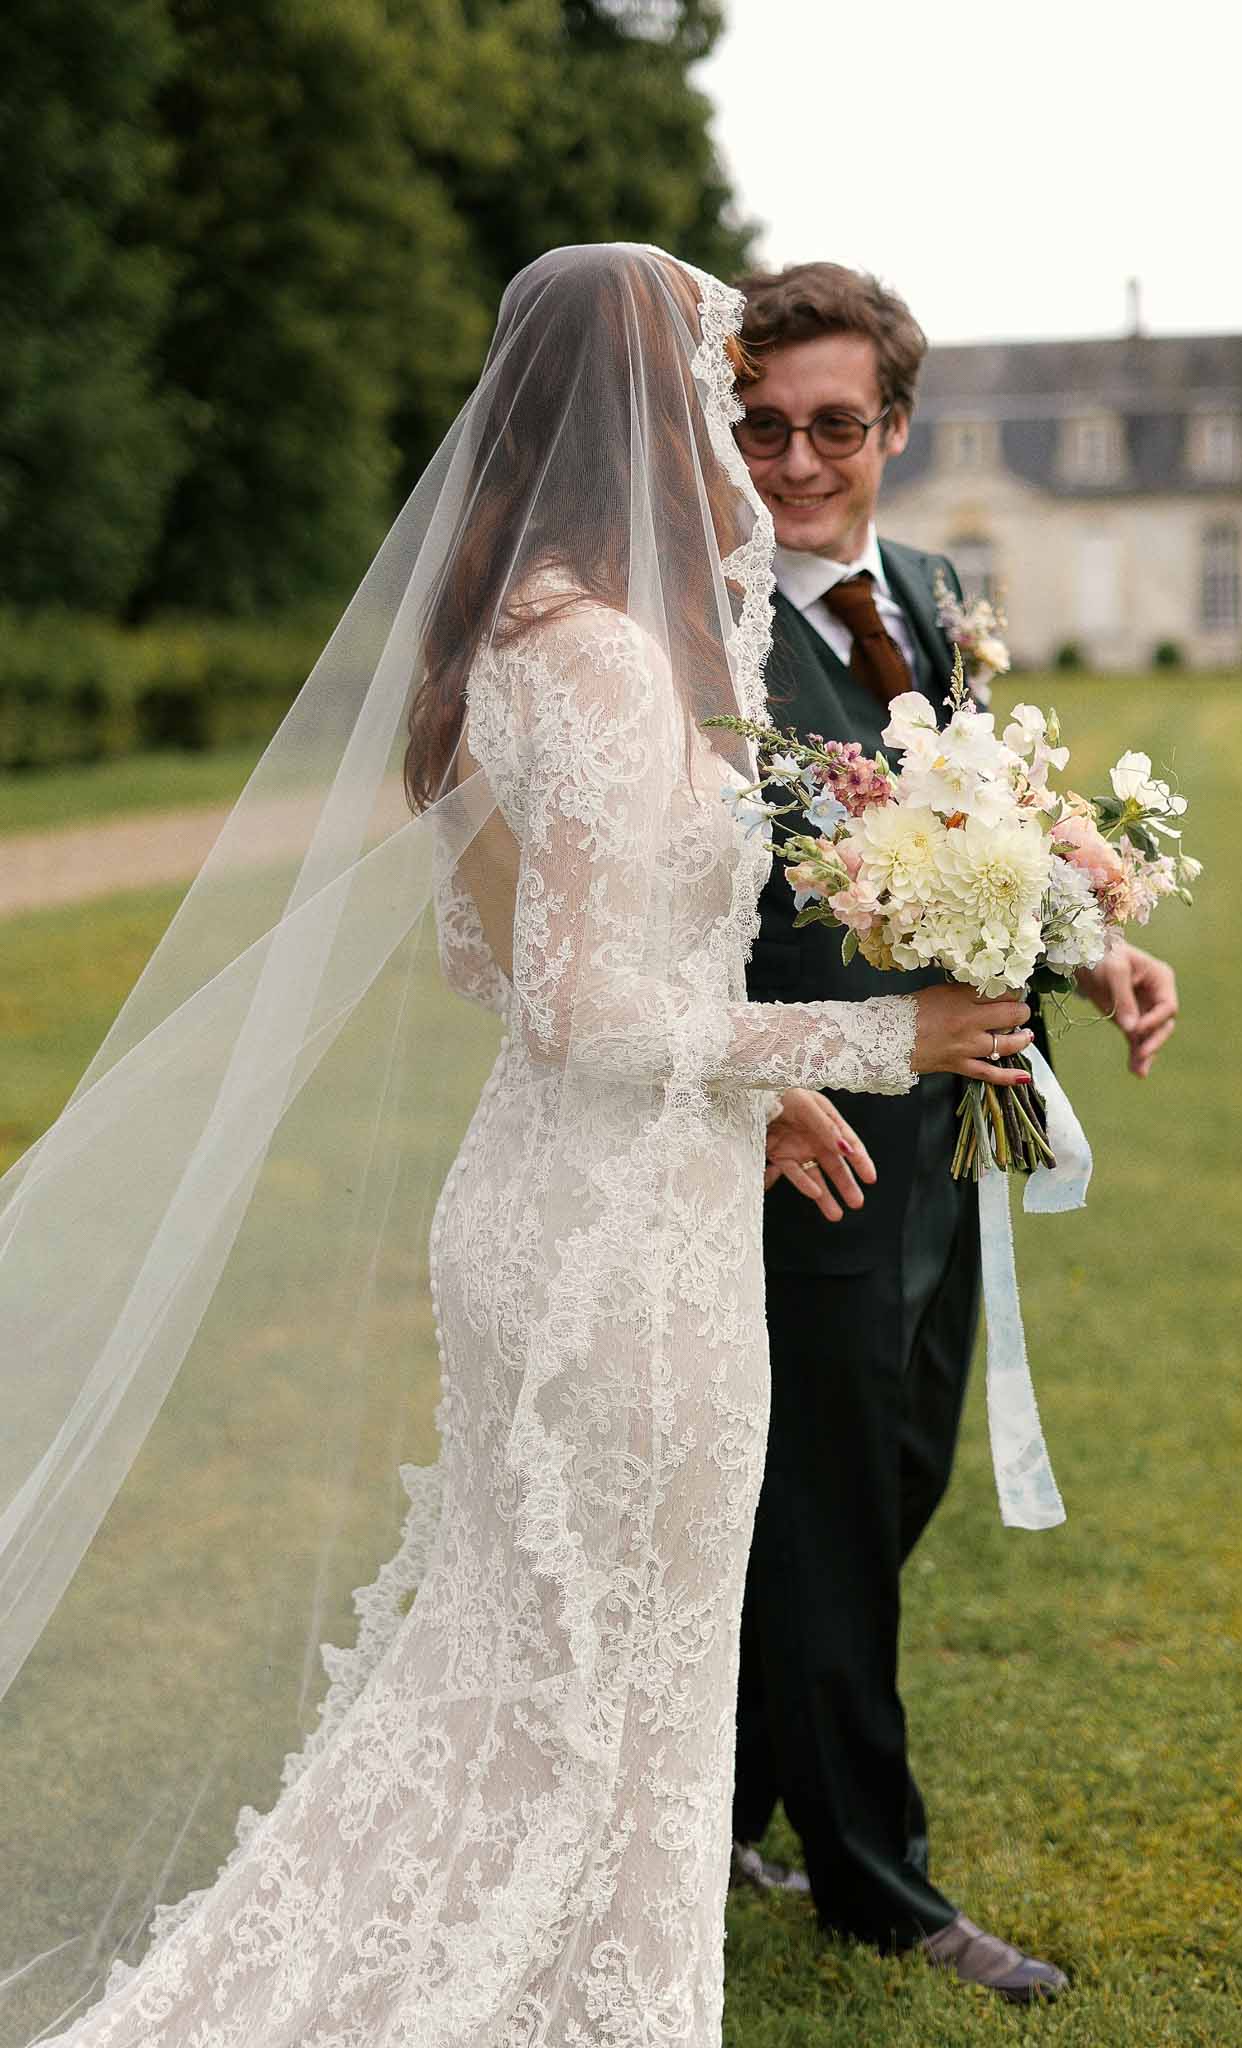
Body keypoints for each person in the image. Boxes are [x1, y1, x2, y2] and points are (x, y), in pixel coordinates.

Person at [0, 246, 1040, 2048]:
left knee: (541, 1689)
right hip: (622, 1262)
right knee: (609, 1701)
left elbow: (518, 967)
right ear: (648, 408)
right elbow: (576, 1003)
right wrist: (879, 1040)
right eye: (715, 388)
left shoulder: (516, 632)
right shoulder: (614, 662)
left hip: (575, 1209)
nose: (737, 434)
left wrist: (753, 1085)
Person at [727, 262, 1180, 2004]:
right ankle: (875, 1883)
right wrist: (772, 1076)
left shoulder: (927, 590)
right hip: (803, 1125)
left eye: (834, 425)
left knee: (896, 1469)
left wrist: (1103, 939)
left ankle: (725, 1803)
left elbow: (993, 822)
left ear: (894, 430)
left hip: (955, 1124)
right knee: (830, 1504)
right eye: (762, 426)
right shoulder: (698, 622)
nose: (794, 463)